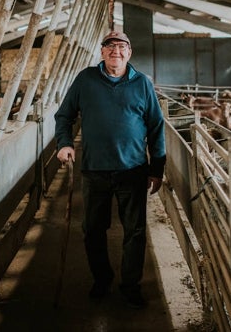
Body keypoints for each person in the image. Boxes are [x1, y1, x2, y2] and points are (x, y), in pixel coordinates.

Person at [54, 29, 166, 309]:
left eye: (122, 46)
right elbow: (64, 116)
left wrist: (157, 168)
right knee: (92, 229)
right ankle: (102, 279)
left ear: (130, 52)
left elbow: (156, 127)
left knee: (135, 231)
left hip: (133, 170)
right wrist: (64, 144)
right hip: (95, 170)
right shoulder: (85, 80)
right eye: (110, 46)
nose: (116, 50)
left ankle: (130, 285)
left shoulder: (142, 84)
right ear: (102, 52)